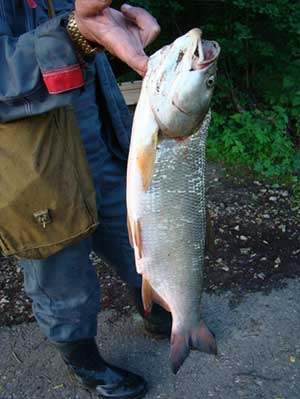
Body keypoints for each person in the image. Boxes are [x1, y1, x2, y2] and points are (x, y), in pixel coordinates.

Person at [0, 1, 172, 398]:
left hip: (101, 140)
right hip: (32, 166)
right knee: (62, 276)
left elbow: (87, 28)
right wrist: (73, 35)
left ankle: (156, 310)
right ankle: (84, 361)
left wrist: (108, 27)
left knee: (136, 236)